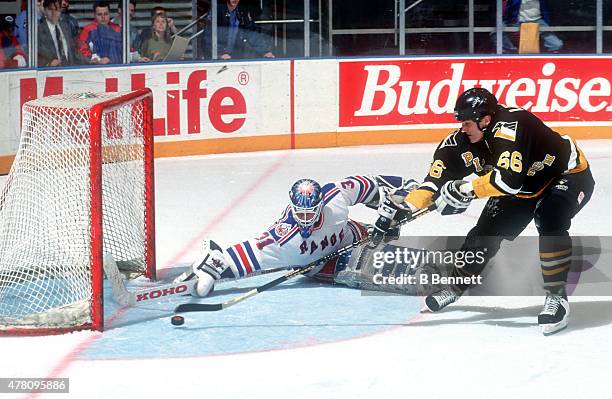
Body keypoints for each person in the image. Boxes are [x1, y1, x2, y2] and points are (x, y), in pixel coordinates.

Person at [375, 87, 594, 336]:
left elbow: (509, 181)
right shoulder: (459, 143)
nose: (462, 129)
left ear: (485, 120)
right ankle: (456, 287)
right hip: (523, 187)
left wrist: (465, 189)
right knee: (484, 233)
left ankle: (557, 298)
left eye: (467, 123)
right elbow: (432, 183)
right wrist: (407, 207)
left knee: (551, 219)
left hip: (565, 175)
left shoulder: (512, 125)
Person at [176, 175, 417, 297]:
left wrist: (403, 191)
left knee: (386, 241)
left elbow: (372, 185)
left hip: (352, 234)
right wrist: (213, 266)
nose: (304, 218)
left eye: (309, 212)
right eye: (299, 212)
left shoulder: (336, 197)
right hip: (325, 264)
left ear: (321, 204)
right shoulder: (284, 239)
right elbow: (243, 255)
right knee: (372, 270)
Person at [203, 0, 274, 60]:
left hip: (234, 57)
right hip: (217, 59)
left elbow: (252, 33)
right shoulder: (217, 11)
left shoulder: (242, 12)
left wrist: (264, 51)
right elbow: (208, 37)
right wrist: (220, 54)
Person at [495, 0, 563, 53]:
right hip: (515, 20)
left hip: (537, 20)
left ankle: (544, 57)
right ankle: (512, 51)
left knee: (556, 44)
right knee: (495, 34)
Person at [38, 0, 85, 67]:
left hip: (69, 72)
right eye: (51, 9)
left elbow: (74, 53)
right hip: (50, 74)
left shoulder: (66, 27)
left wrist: (91, 61)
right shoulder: (38, 31)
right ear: (45, 10)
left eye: (57, 9)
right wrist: (47, 65)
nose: (54, 13)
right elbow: (35, 56)